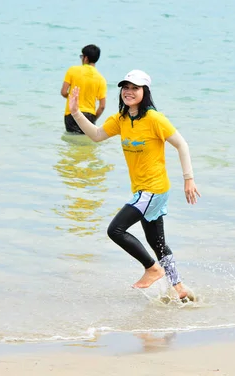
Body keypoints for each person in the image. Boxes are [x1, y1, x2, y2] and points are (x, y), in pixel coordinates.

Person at [67, 69, 200, 300]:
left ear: (144, 92)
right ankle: (179, 288)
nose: (128, 92)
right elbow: (97, 135)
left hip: (154, 189)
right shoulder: (121, 119)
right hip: (144, 189)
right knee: (157, 242)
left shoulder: (154, 119)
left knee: (115, 230)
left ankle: (152, 269)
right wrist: (77, 113)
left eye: (134, 88)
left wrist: (188, 179)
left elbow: (182, 144)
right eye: (125, 88)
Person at [61, 44, 107, 134]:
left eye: (82, 56)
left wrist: (72, 99)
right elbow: (102, 106)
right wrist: (93, 118)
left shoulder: (73, 70)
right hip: (89, 115)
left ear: (85, 58)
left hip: (72, 114)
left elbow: (63, 92)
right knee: (87, 144)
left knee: (72, 143)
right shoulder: (101, 79)